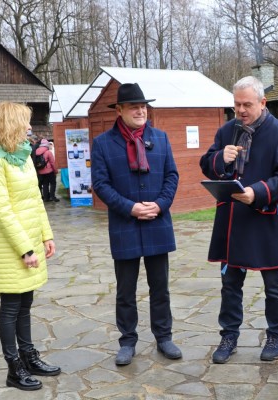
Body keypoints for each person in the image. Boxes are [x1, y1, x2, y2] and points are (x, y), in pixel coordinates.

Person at [199, 76, 278, 364]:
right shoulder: (226, 130)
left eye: (246, 104)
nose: (240, 111)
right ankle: (229, 336)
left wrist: (257, 192)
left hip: (266, 218)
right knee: (230, 283)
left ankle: (275, 336)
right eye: (236, 105)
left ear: (262, 102)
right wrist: (221, 157)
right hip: (232, 220)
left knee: (274, 284)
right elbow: (207, 163)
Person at [91, 83, 182, 365]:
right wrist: (129, 208)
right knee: (125, 290)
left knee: (160, 287)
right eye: (134, 106)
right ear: (119, 110)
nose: (141, 110)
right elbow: (101, 185)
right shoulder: (103, 143)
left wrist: (161, 204)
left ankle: (164, 337)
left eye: (143, 106)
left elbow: (172, 176)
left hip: (157, 221)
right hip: (124, 225)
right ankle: (127, 341)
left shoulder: (161, 138)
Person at [0, 102, 61, 391]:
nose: (29, 128)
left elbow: (36, 201)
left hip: (29, 241)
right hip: (10, 246)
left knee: (26, 303)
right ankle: (14, 368)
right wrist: (25, 249)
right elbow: (1, 210)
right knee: (11, 306)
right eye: (25, 122)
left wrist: (46, 236)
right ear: (10, 124)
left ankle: (28, 356)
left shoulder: (22, 156)